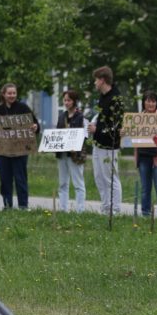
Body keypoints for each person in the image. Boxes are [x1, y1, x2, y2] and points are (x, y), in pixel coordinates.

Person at [0, 82, 39, 210]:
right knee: (5, 179)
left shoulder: (23, 108)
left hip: (20, 151)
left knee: (20, 178)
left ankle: (23, 205)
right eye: (9, 93)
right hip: (3, 151)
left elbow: (35, 123)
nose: (12, 95)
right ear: (4, 94)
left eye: (14, 93)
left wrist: (35, 127)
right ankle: (7, 205)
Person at [88, 66, 125, 215]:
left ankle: (115, 210)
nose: (95, 83)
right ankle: (105, 207)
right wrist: (95, 125)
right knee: (99, 177)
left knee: (110, 178)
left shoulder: (116, 99)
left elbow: (116, 126)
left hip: (110, 146)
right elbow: (102, 119)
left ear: (102, 80)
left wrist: (97, 130)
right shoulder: (102, 98)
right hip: (98, 144)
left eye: (96, 80)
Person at [55, 89, 87, 212]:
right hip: (62, 154)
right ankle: (63, 209)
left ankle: (80, 210)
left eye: (69, 100)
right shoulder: (62, 116)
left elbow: (83, 135)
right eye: (65, 100)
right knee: (63, 183)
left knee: (78, 183)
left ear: (74, 101)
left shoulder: (81, 116)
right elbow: (57, 134)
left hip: (75, 154)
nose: (66, 102)